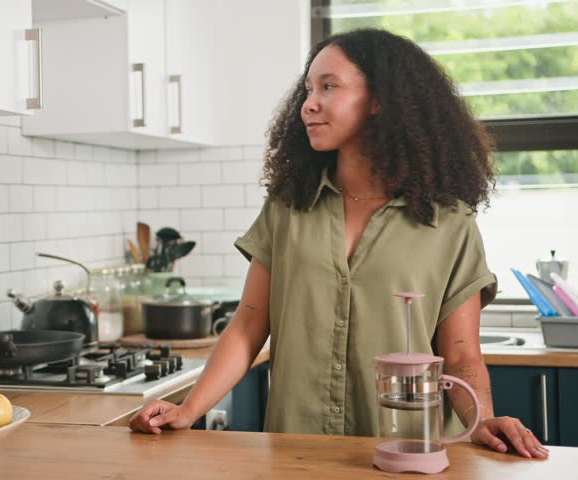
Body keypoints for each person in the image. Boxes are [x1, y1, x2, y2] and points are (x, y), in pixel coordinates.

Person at [129, 28, 548, 460]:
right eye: (308, 89)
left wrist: (481, 422)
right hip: (296, 453)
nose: (309, 103)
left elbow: (460, 355)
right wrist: (190, 408)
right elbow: (250, 322)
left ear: (380, 100)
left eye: (329, 87)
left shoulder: (450, 222)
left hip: (405, 455)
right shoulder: (288, 207)